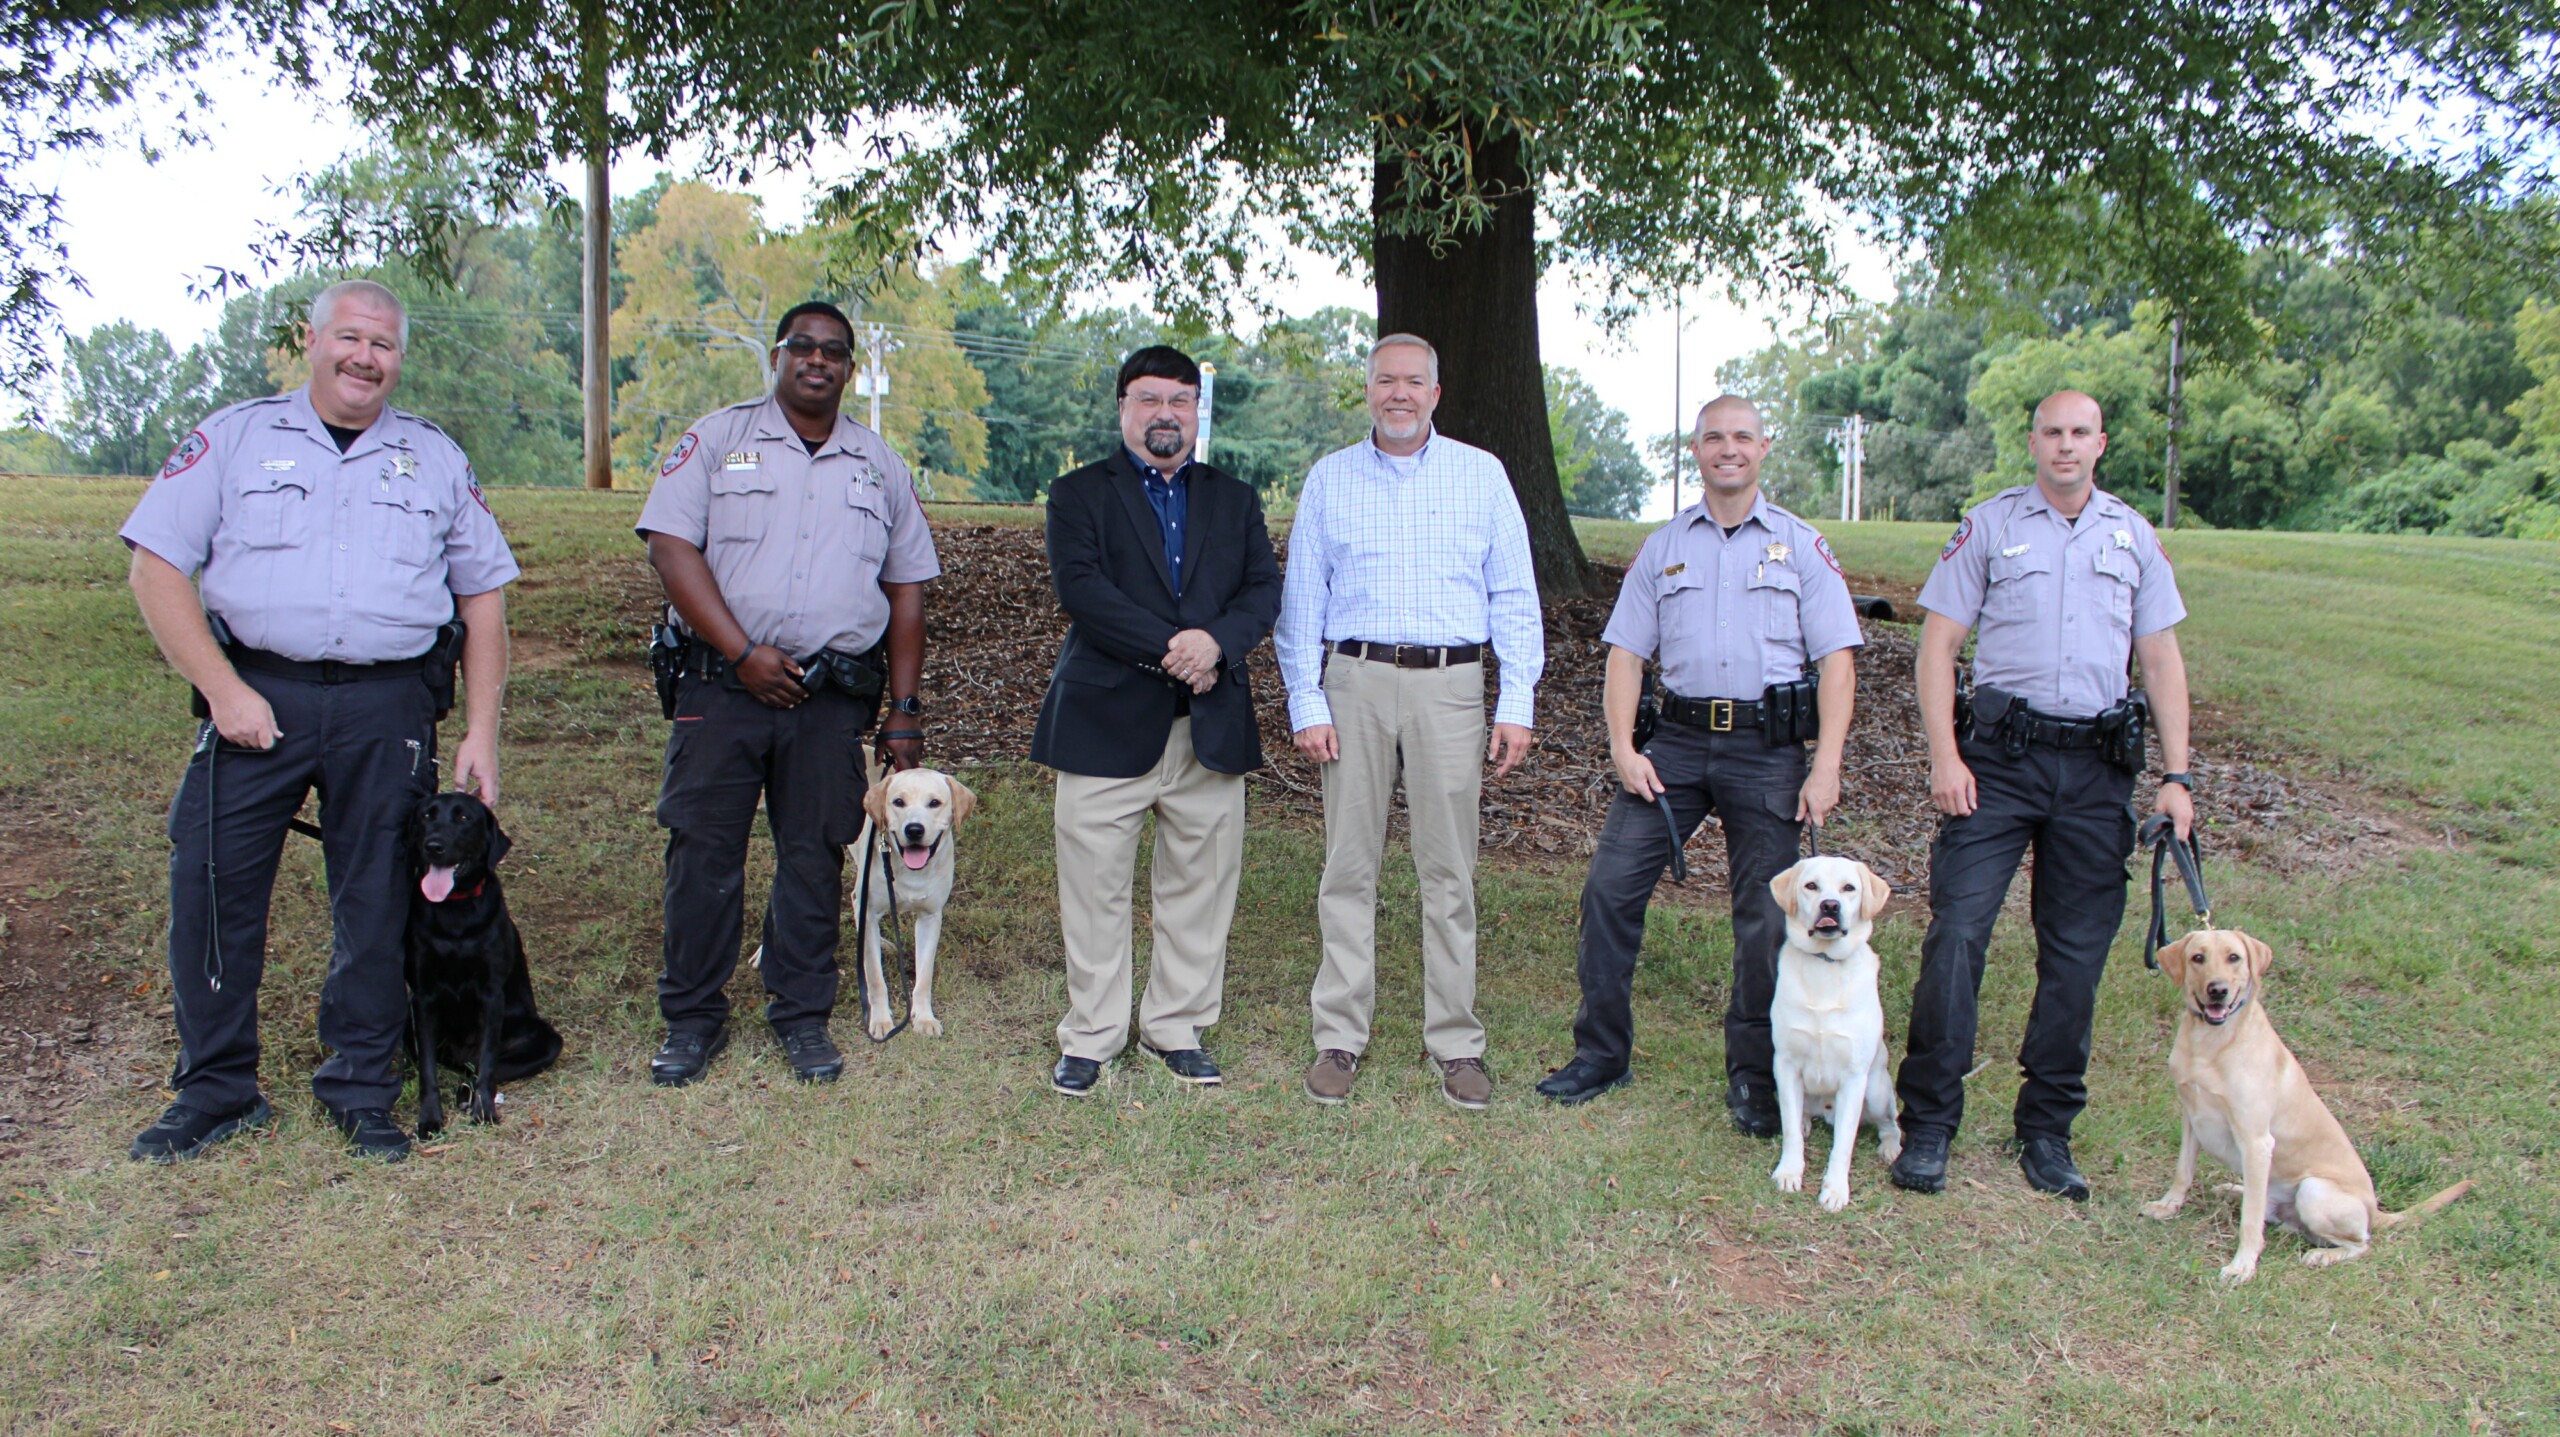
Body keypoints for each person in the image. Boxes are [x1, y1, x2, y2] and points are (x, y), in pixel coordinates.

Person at [121, 278, 518, 1164]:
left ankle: (361, 1084)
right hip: (257, 693)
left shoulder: (436, 459)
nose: (364, 358)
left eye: (382, 344)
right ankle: (218, 1090)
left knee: (380, 896)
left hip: (388, 704)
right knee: (213, 888)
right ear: (312, 339)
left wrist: (481, 730)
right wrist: (224, 689)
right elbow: (156, 567)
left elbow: (483, 600)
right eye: (349, 337)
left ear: (399, 357)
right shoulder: (235, 437)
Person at [1891, 389, 2194, 1201]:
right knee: (1957, 932)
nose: (2066, 446)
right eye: (2053, 432)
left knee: (2075, 957)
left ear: (2102, 442)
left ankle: (2047, 1129)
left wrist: (2177, 775)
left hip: (2097, 770)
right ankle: (1928, 1123)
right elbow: (1938, 648)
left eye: (2080, 433)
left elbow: (2160, 661)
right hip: (1997, 760)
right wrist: (1945, 756)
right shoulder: (1990, 525)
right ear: (2034, 442)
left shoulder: (2133, 536)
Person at [1535, 396, 1862, 1131]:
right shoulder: (1664, 547)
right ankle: (1601, 1053)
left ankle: (1754, 1076)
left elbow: (1838, 661)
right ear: (1696, 448)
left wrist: (1826, 765)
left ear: (1763, 448)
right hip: (1675, 743)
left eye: (1742, 436)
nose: (1729, 448)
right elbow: (1626, 654)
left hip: (1767, 749)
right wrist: (1623, 747)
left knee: (1764, 916)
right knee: (1610, 889)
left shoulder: (1802, 547)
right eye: (1715, 436)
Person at [635, 300, 939, 1087]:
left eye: (833, 351)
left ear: (849, 367)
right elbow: (671, 548)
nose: (817, 361)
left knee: (814, 854)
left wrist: (903, 709)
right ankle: (692, 1019)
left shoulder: (880, 464)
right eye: (801, 347)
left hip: (827, 695)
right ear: (777, 356)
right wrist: (740, 653)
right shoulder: (718, 438)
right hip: (723, 683)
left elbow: (907, 588)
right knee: (702, 854)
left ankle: (801, 1015)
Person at [1273, 333, 1544, 1111]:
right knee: (1348, 865)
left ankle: (1455, 1042)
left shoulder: (1481, 475)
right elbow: (1302, 603)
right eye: (1385, 380)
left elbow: (1515, 595)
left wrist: (1516, 698)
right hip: (1353, 680)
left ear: (1436, 391)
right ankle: (1339, 1034)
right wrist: (1306, 699)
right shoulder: (1331, 478)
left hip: (1450, 685)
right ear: (1369, 390)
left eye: (1413, 381)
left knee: (1448, 872)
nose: (1398, 393)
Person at [1030, 346, 1283, 1097]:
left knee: (1200, 887)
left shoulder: (1233, 499)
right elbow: (1082, 590)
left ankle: (1176, 1026)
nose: (1165, 412)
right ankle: (1094, 1034)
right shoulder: (1079, 494)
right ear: (1123, 409)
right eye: (1149, 399)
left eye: (1180, 398)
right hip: (1104, 722)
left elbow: (1262, 589)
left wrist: (1218, 643)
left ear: (1198, 411)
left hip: (1208, 723)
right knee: (1094, 888)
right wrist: (1175, 648)